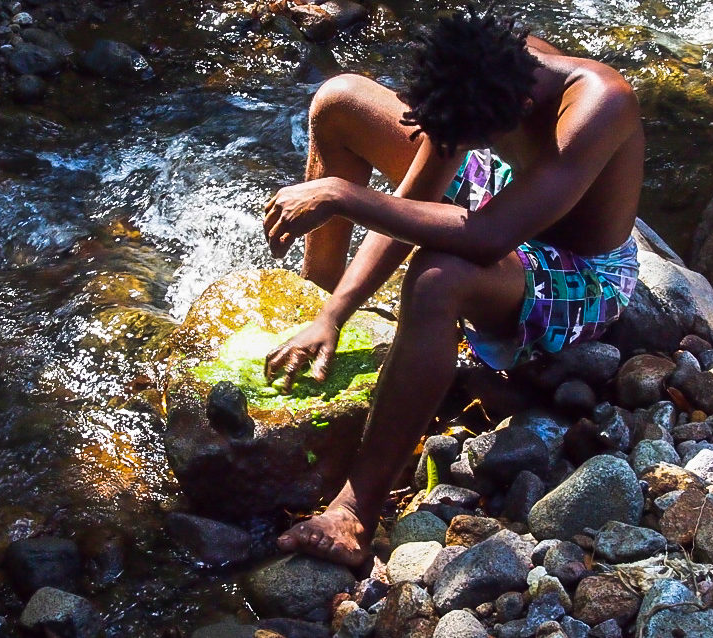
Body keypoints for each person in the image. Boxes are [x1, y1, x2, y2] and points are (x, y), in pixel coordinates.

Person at [261, 9, 643, 567]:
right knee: (341, 100)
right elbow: (418, 192)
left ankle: (355, 511)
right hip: (511, 199)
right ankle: (316, 296)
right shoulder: (486, 68)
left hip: (580, 268)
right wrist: (336, 312)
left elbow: (488, 237)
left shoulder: (600, 103)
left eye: (465, 138)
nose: (452, 144)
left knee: (436, 278)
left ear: (520, 110)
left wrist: (340, 194)